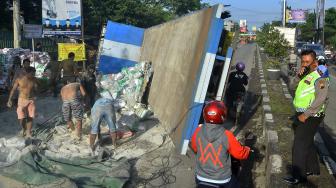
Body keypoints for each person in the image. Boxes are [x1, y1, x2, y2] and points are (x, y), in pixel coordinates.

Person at [284, 49, 330, 185]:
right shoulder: (306, 73)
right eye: (303, 61)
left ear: (314, 62)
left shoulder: (320, 76)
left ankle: (298, 176)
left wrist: (306, 114)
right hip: (303, 113)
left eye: (307, 62)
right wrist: (298, 76)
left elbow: (321, 98)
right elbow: (292, 86)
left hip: (312, 115)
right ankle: (313, 169)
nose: (304, 64)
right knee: (308, 141)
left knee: (299, 144)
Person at [190, 101, 251, 188]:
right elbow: (240, 154)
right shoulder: (227, 135)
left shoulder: (198, 131)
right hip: (222, 179)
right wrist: (247, 150)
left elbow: (195, 148)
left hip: (200, 177)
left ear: (205, 115)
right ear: (222, 116)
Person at [7, 67, 38, 138]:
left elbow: (37, 89)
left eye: (34, 73)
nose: (33, 75)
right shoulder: (19, 79)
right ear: (27, 73)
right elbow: (13, 90)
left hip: (31, 100)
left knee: (30, 117)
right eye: (32, 73)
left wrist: (36, 90)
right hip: (22, 100)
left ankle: (28, 132)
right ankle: (24, 129)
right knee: (21, 118)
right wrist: (9, 100)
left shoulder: (35, 79)